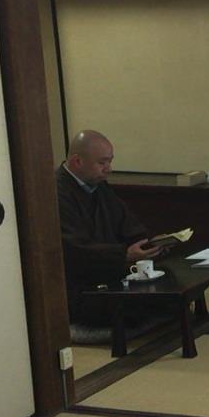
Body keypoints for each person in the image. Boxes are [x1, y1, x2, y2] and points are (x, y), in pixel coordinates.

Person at [55, 130, 161, 323]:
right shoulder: (56, 192)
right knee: (147, 305)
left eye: (110, 161)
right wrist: (123, 254)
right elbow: (74, 248)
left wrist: (148, 243)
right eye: (102, 163)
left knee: (168, 283)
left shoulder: (98, 185)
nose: (109, 169)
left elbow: (127, 222)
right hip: (81, 285)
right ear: (78, 161)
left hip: (111, 272)